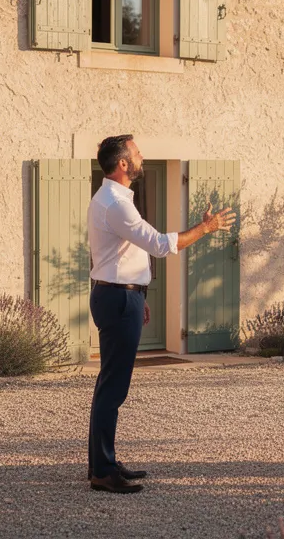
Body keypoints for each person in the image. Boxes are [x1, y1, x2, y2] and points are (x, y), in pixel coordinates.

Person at [87, 135, 237, 494]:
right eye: (137, 153)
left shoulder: (112, 199)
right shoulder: (116, 204)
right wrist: (206, 228)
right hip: (118, 299)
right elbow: (158, 244)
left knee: (109, 385)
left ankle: (101, 463)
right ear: (123, 163)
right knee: (113, 388)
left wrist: (140, 292)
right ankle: (103, 470)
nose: (142, 157)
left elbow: (124, 255)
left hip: (120, 295)